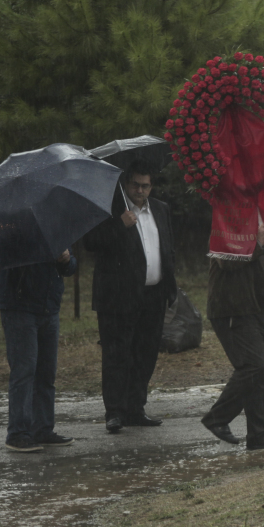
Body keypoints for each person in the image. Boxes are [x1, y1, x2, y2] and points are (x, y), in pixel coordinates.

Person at [84, 161, 177, 433]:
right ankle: (115, 412)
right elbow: (90, 243)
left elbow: (168, 247)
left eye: (145, 185)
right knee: (117, 354)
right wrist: (119, 225)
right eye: (135, 184)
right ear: (126, 184)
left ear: (151, 186)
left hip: (153, 295)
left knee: (145, 354)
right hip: (117, 297)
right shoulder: (111, 211)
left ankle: (136, 408)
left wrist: (169, 286)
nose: (140, 190)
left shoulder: (160, 209)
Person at [201, 219, 264, 450]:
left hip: (260, 308)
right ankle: (217, 418)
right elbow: (226, 261)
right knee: (254, 366)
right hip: (233, 308)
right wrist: (258, 243)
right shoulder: (225, 223)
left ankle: (259, 434)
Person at [0, 249, 78, 452]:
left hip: (49, 307)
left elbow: (71, 267)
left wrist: (66, 260)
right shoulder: (13, 229)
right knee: (24, 371)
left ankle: (42, 429)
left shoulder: (54, 226)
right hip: (20, 308)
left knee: (46, 372)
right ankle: (18, 433)